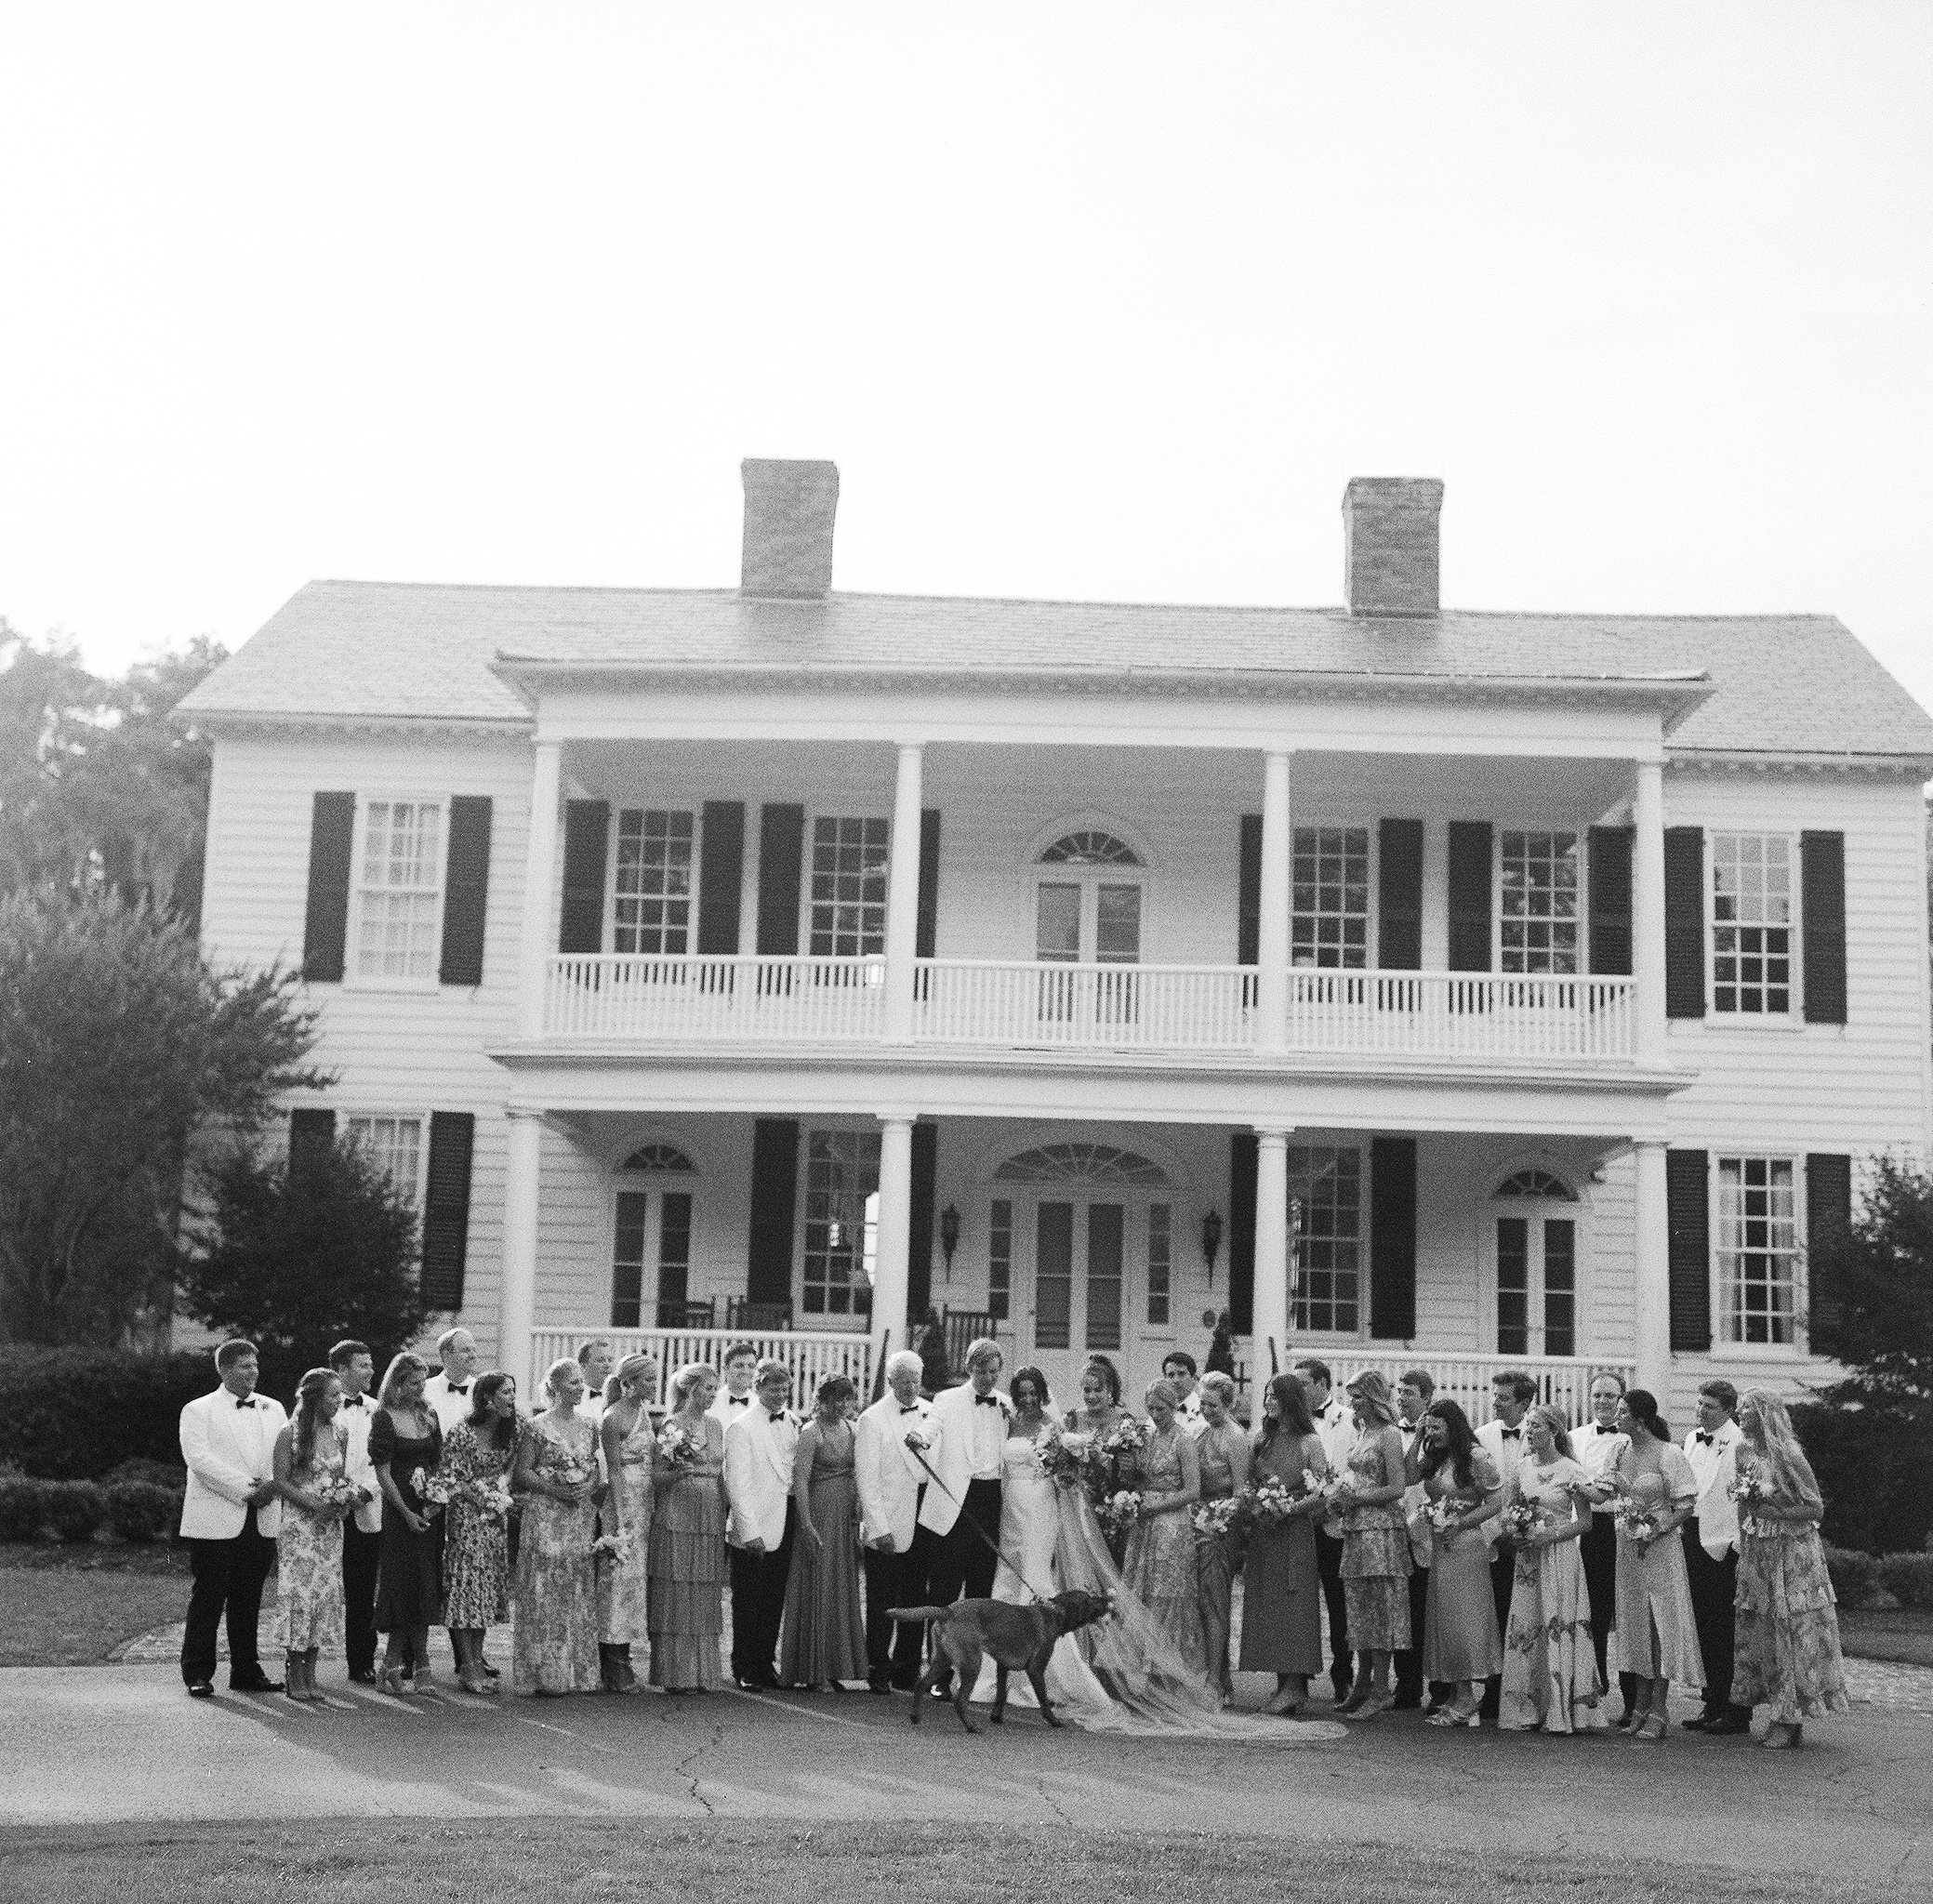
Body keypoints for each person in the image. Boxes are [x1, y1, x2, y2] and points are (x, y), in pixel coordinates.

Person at [1729, 1389, 1850, 1749]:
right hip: (1758, 1551)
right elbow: (1742, 1503)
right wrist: (1743, 1541)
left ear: (1764, 1414)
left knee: (1790, 1631)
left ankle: (1788, 1715)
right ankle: (1775, 1708)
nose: (1740, 1415)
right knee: (1762, 1631)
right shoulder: (1743, 1452)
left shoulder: (1789, 1454)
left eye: (1745, 1410)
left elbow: (1815, 1508)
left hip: (1793, 1553)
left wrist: (1774, 1513)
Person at [178, 1340, 287, 1698]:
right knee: (209, 1595)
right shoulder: (198, 1410)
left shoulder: (274, 1409)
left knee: (249, 1597)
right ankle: (197, 1671)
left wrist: (272, 1486)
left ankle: (246, 1670)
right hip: (216, 1518)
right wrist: (247, 1488)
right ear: (223, 1370)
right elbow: (200, 1460)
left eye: (255, 1365)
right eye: (243, 1366)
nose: (252, 1372)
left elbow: (285, 1455)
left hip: (263, 1516)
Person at [1499, 1404, 1606, 1734]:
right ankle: (1528, 1706)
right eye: (1528, 1427)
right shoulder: (1520, 1468)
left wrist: (1549, 1536)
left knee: (1556, 1623)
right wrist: (1515, 1531)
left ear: (1555, 1432)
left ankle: (1562, 1708)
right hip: (1528, 1559)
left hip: (1559, 1555)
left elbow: (1586, 1523)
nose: (1529, 1433)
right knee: (1528, 1625)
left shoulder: (1572, 1470)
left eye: (1536, 1427)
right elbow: (1509, 1509)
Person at [1609, 1388, 1704, 1740]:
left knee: (1659, 1622)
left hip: (1660, 1549)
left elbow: (1685, 1503)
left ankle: (1660, 1709)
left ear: (1641, 1419)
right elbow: (1607, 1490)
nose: (1616, 1417)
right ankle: (1640, 1704)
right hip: (1628, 1548)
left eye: (1622, 1412)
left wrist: (1656, 1528)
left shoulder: (1670, 1453)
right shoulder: (1618, 1451)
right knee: (1635, 1623)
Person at [918, 1338, 1011, 1691]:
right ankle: (938, 1672)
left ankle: (970, 1672)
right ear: (968, 1369)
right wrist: (919, 1438)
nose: (987, 1378)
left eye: (993, 1372)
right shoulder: (946, 1399)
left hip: (992, 1499)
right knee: (944, 1590)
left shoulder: (1007, 1404)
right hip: (956, 1499)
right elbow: (931, 1427)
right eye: (980, 1371)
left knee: (980, 1591)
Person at [1238, 1372, 1330, 1715]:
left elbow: (1322, 1491)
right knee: (1269, 1605)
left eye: (1274, 1395)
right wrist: (1256, 1504)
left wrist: (1289, 1508)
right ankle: (1282, 1683)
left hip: (1295, 1533)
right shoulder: (1261, 1439)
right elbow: (1247, 1483)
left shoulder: (1310, 1442)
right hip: (1265, 1534)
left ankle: (1295, 1686)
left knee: (1294, 1604)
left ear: (1290, 1400)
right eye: (1266, 1395)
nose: (1268, 1401)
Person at [510, 1357, 603, 1694]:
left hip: (578, 1514)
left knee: (574, 1588)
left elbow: (595, 1466)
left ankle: (576, 1672)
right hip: (546, 1514)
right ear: (555, 1387)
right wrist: (556, 1489)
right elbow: (521, 1472)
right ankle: (544, 1672)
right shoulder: (536, 1427)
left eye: (582, 1382)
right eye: (574, 1383)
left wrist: (587, 1484)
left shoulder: (590, 1425)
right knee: (545, 1589)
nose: (580, 1388)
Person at [1416, 1398, 1503, 1727]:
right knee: (1443, 1619)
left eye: (1437, 1427)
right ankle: (1454, 1692)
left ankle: (1467, 1698)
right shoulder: (1437, 1458)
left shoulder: (1476, 1457)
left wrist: (1463, 1522)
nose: (1432, 1433)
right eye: (1428, 1427)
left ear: (1454, 1427)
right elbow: (1414, 1476)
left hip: (1466, 1546)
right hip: (1442, 1545)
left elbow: (1497, 1499)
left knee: (1462, 1619)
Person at [778, 1374, 868, 1690]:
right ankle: (812, 1670)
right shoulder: (809, 1433)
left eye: (848, 1399)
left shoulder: (852, 1429)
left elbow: (859, 1471)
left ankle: (834, 1666)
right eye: (838, 1399)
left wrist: (859, 1507)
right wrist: (805, 1523)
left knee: (841, 1585)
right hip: (818, 1511)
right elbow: (800, 1480)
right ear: (824, 1400)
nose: (844, 1405)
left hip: (844, 1516)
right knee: (818, 1584)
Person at [1332, 1371, 1411, 1719]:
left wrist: (1357, 1498)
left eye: (1360, 1398)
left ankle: (1381, 1688)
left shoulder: (1390, 1435)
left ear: (1375, 1400)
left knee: (1381, 1608)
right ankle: (1362, 1682)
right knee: (1359, 1607)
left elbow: (1397, 1487)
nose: (1353, 1404)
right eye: (1352, 1398)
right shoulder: (1363, 1433)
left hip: (1381, 1531)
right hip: (1356, 1530)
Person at [854, 1349, 934, 1694]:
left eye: (915, 1381)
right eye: (903, 1382)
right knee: (883, 1600)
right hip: (886, 1518)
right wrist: (879, 1528)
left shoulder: (932, 1412)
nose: (911, 1388)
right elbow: (866, 1481)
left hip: (924, 1515)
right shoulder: (872, 1419)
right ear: (890, 1382)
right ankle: (878, 1668)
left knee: (917, 1597)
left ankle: (906, 1668)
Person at [271, 1367, 353, 1702]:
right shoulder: (288, 1434)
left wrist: (342, 1501)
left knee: (324, 1594)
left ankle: (312, 1673)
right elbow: (280, 1481)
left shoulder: (341, 1433)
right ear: (316, 1398)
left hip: (330, 1529)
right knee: (300, 1595)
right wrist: (313, 1504)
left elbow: (340, 1478)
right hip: (299, 1527)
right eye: (334, 1395)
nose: (339, 1401)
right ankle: (295, 1672)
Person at [369, 1351, 445, 1695]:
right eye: (413, 1383)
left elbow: (439, 1465)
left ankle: (410, 1664)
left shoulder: (429, 1415)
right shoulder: (384, 1417)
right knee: (402, 1586)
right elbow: (383, 1474)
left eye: (422, 1382)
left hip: (428, 1511)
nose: (419, 1388)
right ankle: (396, 1664)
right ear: (397, 1382)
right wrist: (406, 1512)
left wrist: (433, 1502)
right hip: (400, 1512)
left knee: (425, 1585)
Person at [649, 1362, 728, 1691]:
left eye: (714, 1388)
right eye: (707, 1388)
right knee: (678, 1582)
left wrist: (728, 1508)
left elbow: (721, 1472)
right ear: (690, 1389)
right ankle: (676, 1674)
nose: (712, 1394)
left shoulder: (716, 1425)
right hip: (679, 1508)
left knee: (706, 1584)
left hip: (710, 1510)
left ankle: (703, 1672)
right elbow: (656, 1475)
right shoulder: (671, 1424)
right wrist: (678, 1472)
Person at [1119, 1380, 1207, 1676]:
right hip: (1144, 1524)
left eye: (1161, 1408)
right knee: (1142, 1589)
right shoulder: (1147, 1436)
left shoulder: (1184, 1440)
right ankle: (1141, 1666)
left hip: (1172, 1524)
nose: (1156, 1414)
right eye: (1151, 1408)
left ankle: (1167, 1670)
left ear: (1174, 1407)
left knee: (1167, 1592)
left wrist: (1155, 1505)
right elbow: (1140, 1478)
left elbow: (1193, 1490)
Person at [723, 1358, 800, 1689]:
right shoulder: (741, 1427)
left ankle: (766, 1662)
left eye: (785, 1388)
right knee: (747, 1601)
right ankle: (744, 1665)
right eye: (773, 1388)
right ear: (757, 1388)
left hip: (783, 1522)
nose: (780, 1394)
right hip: (751, 1527)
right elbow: (737, 1484)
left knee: (773, 1599)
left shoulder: (792, 1422)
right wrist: (748, 1531)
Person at [1680, 1379, 1750, 1737]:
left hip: (1726, 1544)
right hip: (1695, 1536)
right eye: (1699, 1403)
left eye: (1710, 1406)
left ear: (1727, 1410)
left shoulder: (1740, 1443)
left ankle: (1736, 1708)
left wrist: (1738, 1545)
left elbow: (1744, 1497)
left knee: (1727, 1627)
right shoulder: (1692, 1440)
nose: (1701, 1410)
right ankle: (1712, 1701)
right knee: (1704, 1624)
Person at [441, 1370, 518, 1696]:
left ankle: (478, 1659)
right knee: (466, 1591)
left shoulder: (511, 1430)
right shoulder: (462, 1432)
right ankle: (468, 1666)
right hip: (466, 1519)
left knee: (485, 1591)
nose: (512, 1398)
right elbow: (453, 1478)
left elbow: (513, 1465)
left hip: (494, 1521)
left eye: (513, 1392)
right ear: (487, 1398)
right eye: (506, 1393)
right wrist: (485, 1497)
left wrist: (503, 1490)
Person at [1571, 1368, 1636, 1723]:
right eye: (1597, 1395)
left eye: (1610, 1396)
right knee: (1591, 1613)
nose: (1602, 1402)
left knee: (1623, 1614)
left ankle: (1631, 1702)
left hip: (1621, 1527)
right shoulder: (1575, 1437)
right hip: (1587, 1529)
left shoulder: (1629, 1440)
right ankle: (1592, 1690)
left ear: (1621, 1400)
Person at [1476, 1368, 1537, 1721]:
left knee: (1529, 1615)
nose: (1495, 1402)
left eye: (1503, 1397)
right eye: (1494, 1395)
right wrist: (1496, 1529)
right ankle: (1494, 1688)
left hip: (1531, 1539)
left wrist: (1525, 1528)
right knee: (1495, 1614)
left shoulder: (1542, 1433)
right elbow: (1480, 1488)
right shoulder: (1482, 1436)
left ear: (1524, 1403)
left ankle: (1531, 1689)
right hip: (1494, 1539)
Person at [1295, 1356, 1357, 1704]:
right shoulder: (1290, 1424)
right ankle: (1299, 1674)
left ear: (1322, 1384)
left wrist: (1331, 1503)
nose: (1299, 1389)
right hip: (1299, 1524)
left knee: (1339, 1602)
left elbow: (1355, 1466)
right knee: (1300, 1600)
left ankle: (1343, 1674)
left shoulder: (1348, 1420)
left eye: (1304, 1383)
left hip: (1334, 1523)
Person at [595, 1352, 657, 1693]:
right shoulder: (612, 1417)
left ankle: (626, 1655)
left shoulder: (644, 1412)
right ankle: (613, 1662)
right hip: (623, 1503)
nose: (653, 1384)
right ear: (628, 1383)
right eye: (647, 1379)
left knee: (634, 1585)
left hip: (644, 1499)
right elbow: (614, 1470)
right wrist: (620, 1519)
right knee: (617, 1581)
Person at [1192, 1371, 1251, 1700]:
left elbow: (1242, 1493)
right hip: (1197, 1524)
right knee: (1201, 1603)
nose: (1206, 1410)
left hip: (1222, 1530)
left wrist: (1216, 1519)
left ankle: (1215, 1681)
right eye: (1202, 1403)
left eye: (1213, 1405)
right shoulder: (1200, 1433)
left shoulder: (1235, 1438)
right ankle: (1220, 1676)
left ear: (1228, 1404)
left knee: (1216, 1603)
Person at [329, 1339, 383, 1686]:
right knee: (322, 1587)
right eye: (363, 1365)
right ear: (342, 1370)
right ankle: (304, 1663)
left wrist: (363, 1491)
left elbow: (383, 1460)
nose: (371, 1371)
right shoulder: (318, 1408)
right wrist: (333, 1494)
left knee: (363, 1590)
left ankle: (362, 1661)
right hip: (325, 1509)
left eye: (370, 1364)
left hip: (366, 1508)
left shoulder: (378, 1410)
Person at [1392, 1368, 1439, 1711]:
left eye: (1409, 1392)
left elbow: (1414, 1478)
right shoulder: (1392, 1432)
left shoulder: (1438, 1434)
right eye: (1400, 1391)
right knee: (1402, 1611)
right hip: (1395, 1534)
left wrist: (1425, 1433)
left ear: (1426, 1398)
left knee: (1430, 1610)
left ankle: (1438, 1689)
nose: (1401, 1397)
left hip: (1428, 1534)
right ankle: (1407, 1687)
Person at [422, 1327, 479, 1434]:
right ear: (447, 1355)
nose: (473, 1355)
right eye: (466, 1350)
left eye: (474, 1350)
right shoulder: (425, 1390)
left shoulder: (482, 1390)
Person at [1064, 1355, 1130, 1436]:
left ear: (1109, 1389)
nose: (1091, 1396)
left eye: (1098, 1390)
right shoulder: (1070, 1420)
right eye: (1087, 1390)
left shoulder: (1125, 1422)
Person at [708, 1342, 761, 1427]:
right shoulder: (710, 1403)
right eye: (739, 1366)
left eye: (751, 1366)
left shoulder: (760, 1406)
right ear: (726, 1369)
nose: (745, 1371)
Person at [576, 1339, 616, 1429]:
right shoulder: (572, 1396)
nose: (607, 1365)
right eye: (600, 1360)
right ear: (583, 1366)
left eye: (610, 1360)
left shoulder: (619, 1397)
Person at [1161, 1352, 1205, 1432]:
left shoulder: (1205, 1410)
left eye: (1181, 1374)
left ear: (1194, 1378)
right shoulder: (1159, 1408)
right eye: (1171, 1375)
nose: (1176, 1380)